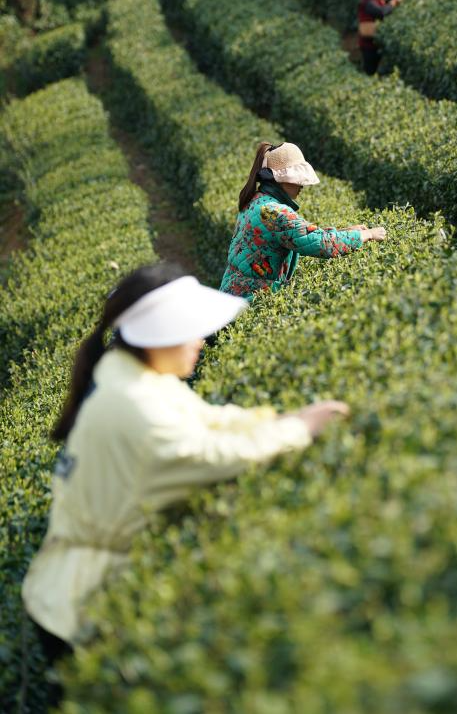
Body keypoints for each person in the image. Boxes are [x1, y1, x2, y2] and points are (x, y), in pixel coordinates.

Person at [23, 263, 349, 697]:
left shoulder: (133, 376)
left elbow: (207, 422)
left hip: (72, 587)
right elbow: (208, 454)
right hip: (75, 607)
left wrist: (277, 419)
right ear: (158, 336)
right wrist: (297, 431)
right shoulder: (136, 403)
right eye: (190, 331)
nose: (201, 340)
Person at [220, 142, 386, 299]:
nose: (302, 185)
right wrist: (367, 235)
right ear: (280, 179)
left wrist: (347, 232)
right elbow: (321, 243)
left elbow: (304, 236)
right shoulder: (275, 212)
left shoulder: (257, 200)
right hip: (247, 298)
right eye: (297, 179)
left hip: (233, 292)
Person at [357, 0, 405, 75]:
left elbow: (385, 3)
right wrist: (394, 2)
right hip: (368, 45)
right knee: (370, 70)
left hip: (375, 44)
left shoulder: (375, 1)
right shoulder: (368, 3)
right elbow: (381, 12)